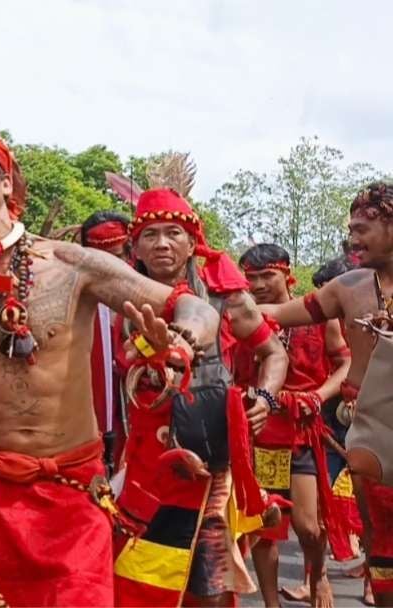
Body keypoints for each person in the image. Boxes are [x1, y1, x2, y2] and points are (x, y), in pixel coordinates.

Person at [0, 117, 222, 607]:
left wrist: (180, 344)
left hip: (73, 497)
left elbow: (193, 307)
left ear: (5, 182)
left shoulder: (73, 265)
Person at [114, 177, 288, 607]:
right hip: (143, 455)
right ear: (135, 248)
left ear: (193, 244)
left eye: (174, 234)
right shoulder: (118, 294)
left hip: (208, 453)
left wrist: (265, 399)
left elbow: (274, 354)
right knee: (138, 567)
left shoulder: (227, 299)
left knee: (207, 575)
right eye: (149, 235)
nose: (161, 244)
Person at [262, 182, 393, 607]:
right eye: (350, 229)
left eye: (362, 229)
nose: (353, 239)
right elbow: (279, 314)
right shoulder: (347, 288)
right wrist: (224, 303)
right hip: (370, 436)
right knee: (380, 543)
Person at [237, 243, 350, 608]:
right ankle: (272, 604)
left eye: (266, 275)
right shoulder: (239, 319)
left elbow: (345, 363)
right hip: (259, 432)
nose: (257, 285)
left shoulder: (319, 315)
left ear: (288, 276)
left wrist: (319, 395)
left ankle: (317, 576)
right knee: (266, 527)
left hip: (302, 431)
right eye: (250, 278)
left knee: (307, 526)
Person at [80, 210, 132, 473]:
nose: (110, 267)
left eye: (118, 256)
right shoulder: (75, 298)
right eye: (100, 258)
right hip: (90, 410)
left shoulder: (150, 293)